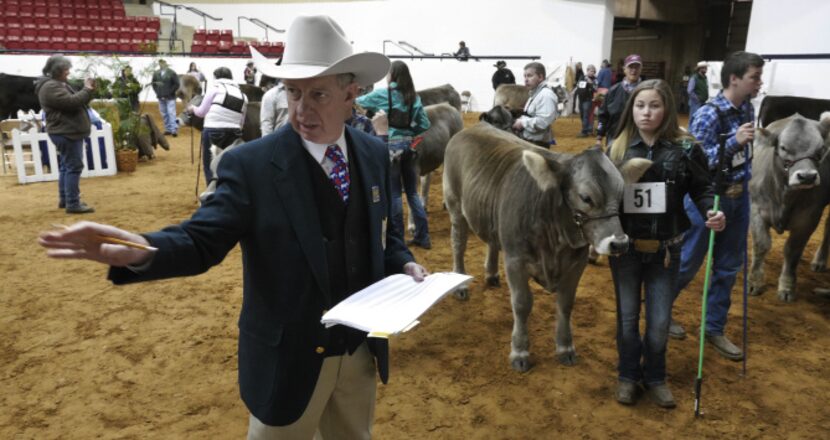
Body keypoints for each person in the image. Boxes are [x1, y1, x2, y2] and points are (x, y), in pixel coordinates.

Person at [39, 15, 428, 439]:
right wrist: (142, 250)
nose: (301, 109)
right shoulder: (252, 164)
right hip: (288, 362)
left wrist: (403, 263)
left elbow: (384, 236)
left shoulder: (372, 154)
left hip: (358, 354)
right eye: (292, 92)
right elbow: (201, 239)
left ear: (351, 94)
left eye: (318, 93)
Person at [607, 79, 725, 409]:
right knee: (627, 319)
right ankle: (628, 376)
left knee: (659, 323)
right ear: (631, 108)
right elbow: (606, 198)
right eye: (640, 105)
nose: (646, 112)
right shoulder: (617, 148)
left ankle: (655, 377)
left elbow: (702, 189)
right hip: (626, 250)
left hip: (667, 251)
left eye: (654, 106)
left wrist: (710, 211)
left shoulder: (686, 148)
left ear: (667, 109)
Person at [671, 52, 764, 361]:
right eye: (754, 76)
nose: (759, 82)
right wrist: (735, 142)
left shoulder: (747, 108)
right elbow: (695, 162)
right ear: (734, 79)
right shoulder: (709, 113)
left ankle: (714, 328)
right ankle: (662, 309)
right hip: (708, 198)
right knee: (688, 261)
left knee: (728, 266)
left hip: (741, 196)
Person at [356, 60, 432, 249]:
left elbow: (359, 102)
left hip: (391, 147)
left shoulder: (383, 94)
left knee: (395, 195)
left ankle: (398, 239)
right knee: (413, 194)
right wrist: (410, 134)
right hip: (409, 147)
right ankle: (423, 236)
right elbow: (424, 124)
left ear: (392, 75)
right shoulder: (413, 97)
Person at [35, 55, 96, 214]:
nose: (68, 72)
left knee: (66, 166)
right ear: (57, 71)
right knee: (73, 168)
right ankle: (73, 203)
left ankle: (65, 200)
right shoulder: (51, 87)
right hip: (66, 132)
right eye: (65, 69)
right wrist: (87, 89)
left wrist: (86, 91)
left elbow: (75, 101)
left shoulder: (54, 84)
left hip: (64, 131)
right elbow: (72, 103)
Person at [187, 67, 248, 184]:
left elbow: (201, 112)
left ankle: (212, 193)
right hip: (234, 132)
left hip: (213, 130)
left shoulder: (215, 88)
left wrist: (192, 108)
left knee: (209, 165)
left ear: (216, 77)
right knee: (230, 163)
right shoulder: (243, 95)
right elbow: (242, 122)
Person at [597, 54, 643, 146]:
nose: (634, 70)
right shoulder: (612, 91)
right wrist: (599, 137)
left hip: (639, 141)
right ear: (624, 69)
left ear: (641, 69)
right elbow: (603, 115)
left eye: (637, 67)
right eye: (630, 67)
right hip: (615, 137)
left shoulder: (647, 91)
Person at [512, 62, 557, 148]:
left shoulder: (546, 95)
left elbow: (543, 122)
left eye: (529, 76)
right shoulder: (535, 94)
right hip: (529, 142)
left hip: (537, 145)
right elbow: (531, 115)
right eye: (524, 76)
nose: (526, 79)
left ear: (540, 77)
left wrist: (522, 123)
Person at [151, 59, 180, 137]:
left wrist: (170, 92)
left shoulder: (172, 73)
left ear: (166, 63)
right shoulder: (156, 73)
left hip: (170, 97)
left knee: (171, 112)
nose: (161, 64)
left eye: (163, 63)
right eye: (160, 63)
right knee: (164, 113)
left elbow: (176, 84)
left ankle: (174, 129)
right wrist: (158, 92)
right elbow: (153, 84)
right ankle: (168, 129)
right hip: (160, 96)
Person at [575, 64, 597, 137]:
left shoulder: (595, 79)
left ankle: (585, 131)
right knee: (582, 115)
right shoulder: (582, 77)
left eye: (593, 71)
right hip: (581, 99)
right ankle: (588, 129)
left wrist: (591, 83)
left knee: (586, 115)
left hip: (588, 99)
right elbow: (578, 85)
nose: (592, 73)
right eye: (591, 71)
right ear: (587, 71)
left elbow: (596, 89)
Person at [687, 61, 709, 127]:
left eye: (706, 68)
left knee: (699, 119)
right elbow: (690, 91)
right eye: (704, 68)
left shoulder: (705, 78)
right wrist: (697, 99)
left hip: (703, 102)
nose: (706, 70)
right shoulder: (694, 78)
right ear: (700, 68)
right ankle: (689, 133)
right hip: (695, 103)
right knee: (693, 118)